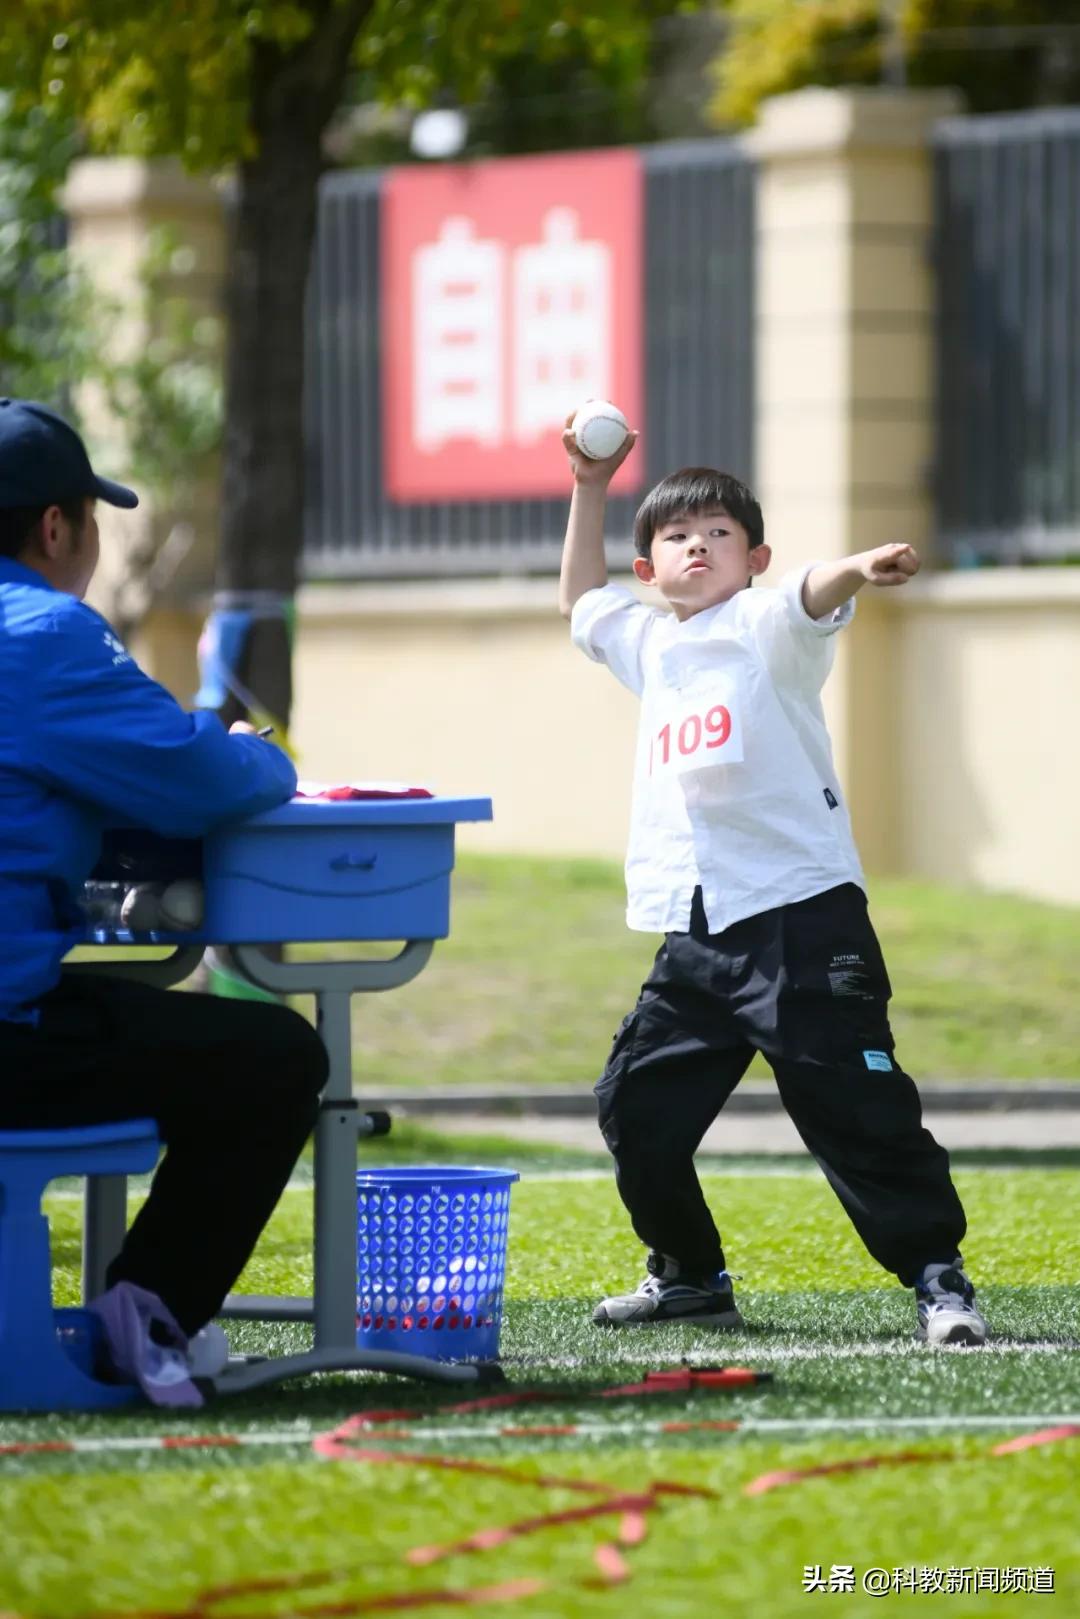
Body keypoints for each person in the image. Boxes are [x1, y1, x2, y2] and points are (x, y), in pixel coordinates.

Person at [558, 410, 986, 1348]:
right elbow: (581, 604)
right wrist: (591, 485)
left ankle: (937, 1277)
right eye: (677, 534)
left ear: (753, 557)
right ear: (650, 569)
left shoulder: (766, 626)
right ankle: (689, 1275)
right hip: (696, 929)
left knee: (858, 1113)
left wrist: (860, 564)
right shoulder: (651, 646)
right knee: (634, 1105)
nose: (698, 544)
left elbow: (807, 591)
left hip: (801, 917)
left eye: (720, 533)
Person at [0, 398, 329, 1393]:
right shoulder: (46, 632)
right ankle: (140, 1319)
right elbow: (205, 778)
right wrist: (250, 749)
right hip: (11, 1033)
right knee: (274, 1054)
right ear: (59, 526)